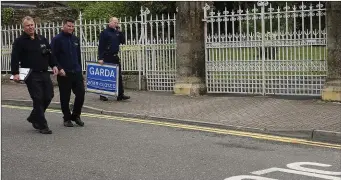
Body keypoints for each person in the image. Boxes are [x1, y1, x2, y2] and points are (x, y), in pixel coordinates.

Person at [11, 16, 59, 134]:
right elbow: (14, 58)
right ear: (24, 27)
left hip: (44, 72)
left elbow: (49, 54)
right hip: (31, 74)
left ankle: (34, 117)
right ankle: (42, 125)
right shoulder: (19, 41)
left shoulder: (42, 39)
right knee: (37, 98)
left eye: (32, 25)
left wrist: (54, 65)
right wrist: (15, 73)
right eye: (28, 25)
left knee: (48, 96)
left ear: (35, 25)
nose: (30, 27)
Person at [50, 18, 85, 127]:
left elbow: (78, 56)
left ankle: (76, 115)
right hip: (64, 73)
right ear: (63, 26)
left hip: (76, 72)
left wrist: (80, 69)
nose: (71, 28)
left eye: (72, 26)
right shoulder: (57, 39)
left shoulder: (75, 39)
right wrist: (59, 68)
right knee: (65, 96)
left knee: (81, 94)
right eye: (69, 26)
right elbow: (52, 56)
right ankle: (66, 118)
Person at [97, 17, 130, 101]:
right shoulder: (104, 33)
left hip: (115, 56)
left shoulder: (117, 32)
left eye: (117, 23)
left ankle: (120, 94)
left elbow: (123, 41)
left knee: (118, 75)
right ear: (110, 22)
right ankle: (103, 94)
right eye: (115, 22)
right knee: (106, 76)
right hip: (107, 56)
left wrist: (120, 32)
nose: (116, 24)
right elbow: (101, 46)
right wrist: (100, 58)